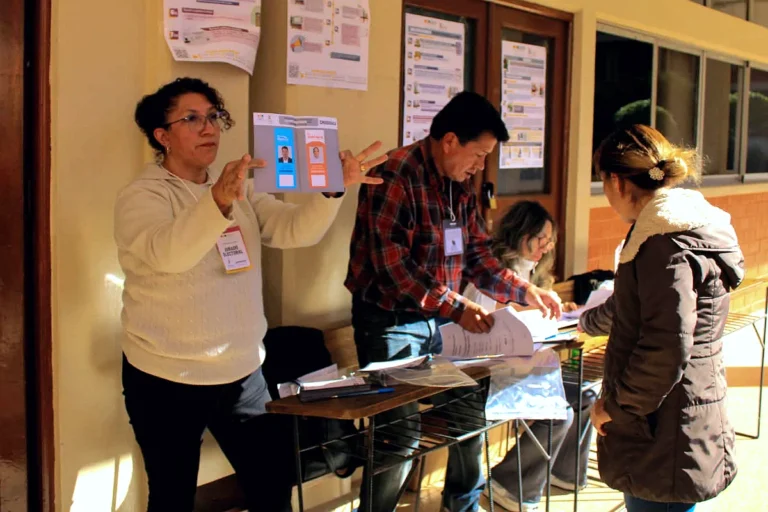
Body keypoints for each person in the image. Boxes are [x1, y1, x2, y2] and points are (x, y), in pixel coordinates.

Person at [115, 77, 385, 512]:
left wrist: (333, 188)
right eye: (191, 118)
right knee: (171, 495)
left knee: (272, 485)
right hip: (166, 378)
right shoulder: (142, 197)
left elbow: (294, 230)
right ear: (161, 136)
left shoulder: (239, 192)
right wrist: (217, 203)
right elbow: (168, 254)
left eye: (213, 117)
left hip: (241, 373)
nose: (208, 128)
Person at [345, 91, 562, 512]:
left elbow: (478, 254)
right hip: (390, 321)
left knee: (467, 413)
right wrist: (457, 308)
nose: (480, 166)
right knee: (401, 432)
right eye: (477, 154)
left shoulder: (459, 186)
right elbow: (394, 267)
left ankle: (461, 505)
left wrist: (524, 290)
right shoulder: (395, 174)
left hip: (441, 320)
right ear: (448, 141)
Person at [587, 125, 742, 512]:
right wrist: (587, 321)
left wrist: (615, 408)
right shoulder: (689, 228)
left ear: (618, 182)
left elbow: (667, 346)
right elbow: (639, 308)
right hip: (680, 419)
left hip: (664, 431)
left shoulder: (661, 243)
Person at [462, 201, 594, 512]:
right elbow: (484, 318)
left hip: (527, 366)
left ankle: (563, 473)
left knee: (585, 394)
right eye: (539, 239)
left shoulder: (534, 272)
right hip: (489, 372)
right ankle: (510, 485)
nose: (546, 247)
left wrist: (564, 315)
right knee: (560, 413)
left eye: (550, 240)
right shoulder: (491, 272)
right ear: (519, 233)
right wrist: (530, 312)